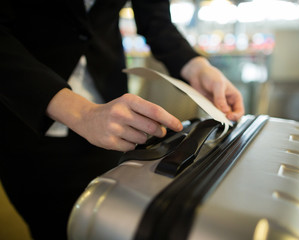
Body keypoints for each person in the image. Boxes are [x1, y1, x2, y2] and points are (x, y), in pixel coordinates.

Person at [0, 0, 244, 239]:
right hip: (28, 109)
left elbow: (156, 20)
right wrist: (82, 113)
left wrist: (197, 67)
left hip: (111, 113)